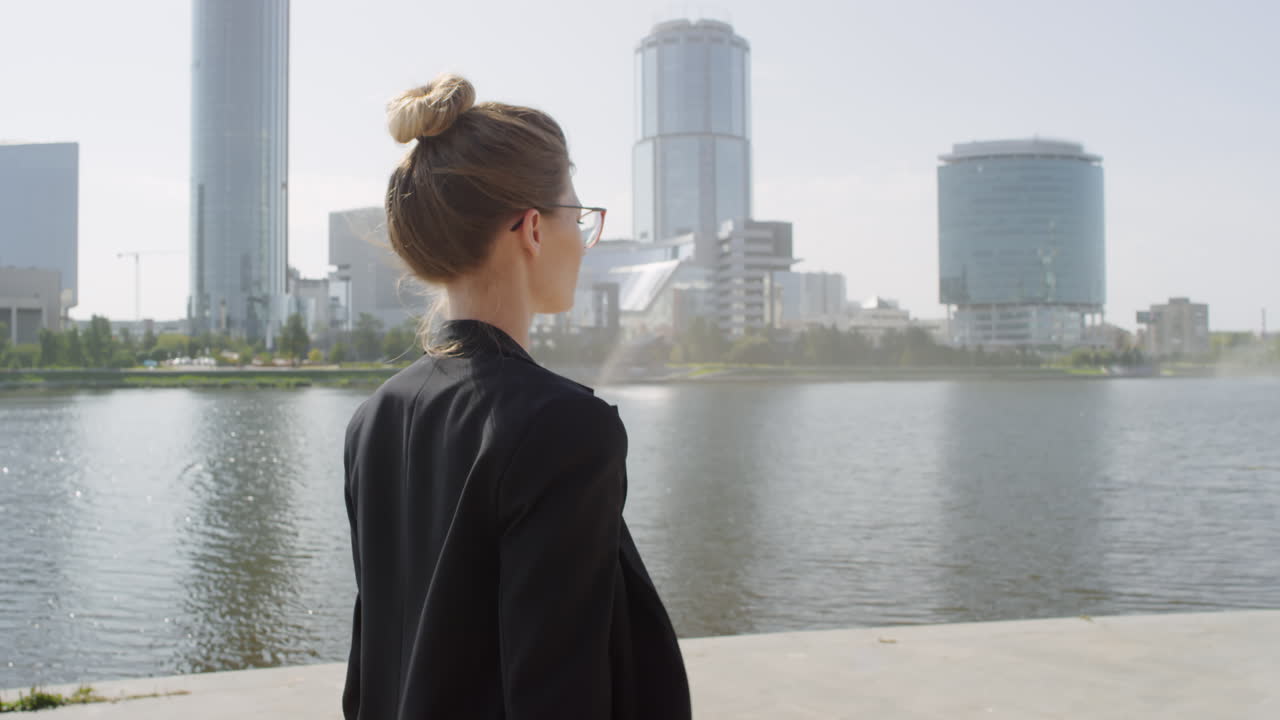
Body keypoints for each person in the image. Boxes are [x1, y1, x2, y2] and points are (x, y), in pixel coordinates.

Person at [341, 74, 691, 719]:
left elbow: (370, 668)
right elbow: (560, 692)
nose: (583, 241)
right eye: (578, 218)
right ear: (532, 228)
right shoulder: (563, 427)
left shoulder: (373, 419)